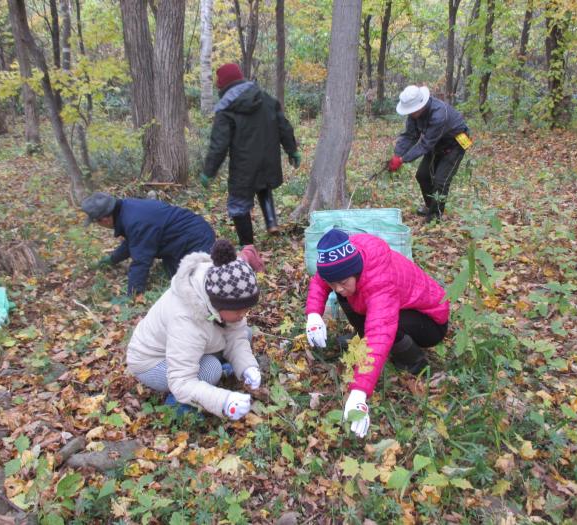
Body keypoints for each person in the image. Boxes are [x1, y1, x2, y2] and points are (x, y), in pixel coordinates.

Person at [305, 229, 449, 438]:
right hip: (398, 308)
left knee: (388, 325)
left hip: (429, 321)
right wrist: (314, 315)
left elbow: (379, 333)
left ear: (356, 271)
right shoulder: (343, 260)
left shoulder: (380, 280)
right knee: (348, 296)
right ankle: (363, 335)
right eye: (333, 284)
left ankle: (414, 362)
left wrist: (359, 392)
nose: (338, 289)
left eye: (343, 283)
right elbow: (321, 280)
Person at [126, 239, 262, 419]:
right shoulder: (185, 318)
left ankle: (215, 379)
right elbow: (182, 380)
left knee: (245, 333)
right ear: (219, 305)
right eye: (238, 310)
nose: (244, 314)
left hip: (188, 345)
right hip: (152, 362)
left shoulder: (219, 288)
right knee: (210, 369)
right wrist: (223, 401)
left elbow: (236, 334)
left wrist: (247, 367)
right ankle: (177, 406)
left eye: (247, 308)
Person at [200, 63, 300, 260]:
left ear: (223, 86)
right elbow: (284, 127)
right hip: (268, 160)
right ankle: (271, 222)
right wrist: (292, 150)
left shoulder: (226, 109)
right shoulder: (266, 99)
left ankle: (248, 246)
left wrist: (208, 171)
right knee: (263, 186)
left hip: (243, 165)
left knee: (238, 204)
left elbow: (219, 145)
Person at [81, 192, 216, 295]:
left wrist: (133, 294)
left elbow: (141, 260)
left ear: (104, 219)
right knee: (172, 274)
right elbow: (132, 242)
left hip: (197, 240)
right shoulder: (127, 209)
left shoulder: (135, 221)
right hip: (181, 238)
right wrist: (112, 259)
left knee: (189, 284)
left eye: (96, 222)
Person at [387, 85, 471, 223]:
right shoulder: (414, 115)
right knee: (422, 175)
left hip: (455, 144)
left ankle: (435, 216)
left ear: (421, 106)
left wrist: (403, 159)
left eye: (412, 111)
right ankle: (429, 206)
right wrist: (397, 155)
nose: (411, 114)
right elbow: (410, 135)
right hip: (436, 144)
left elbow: (425, 144)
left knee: (440, 181)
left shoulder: (439, 114)